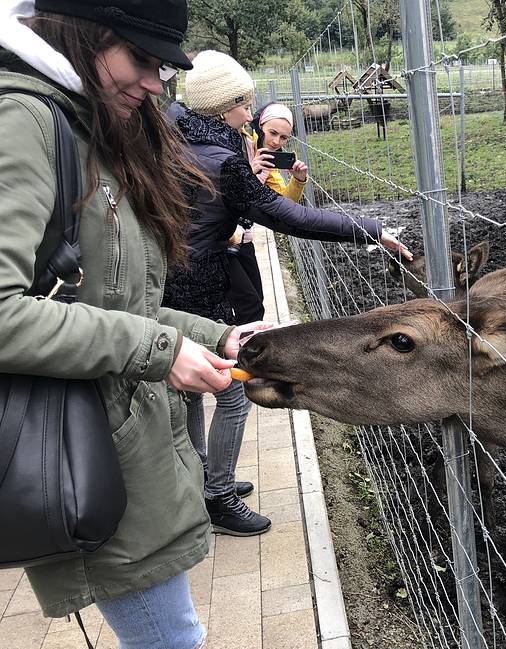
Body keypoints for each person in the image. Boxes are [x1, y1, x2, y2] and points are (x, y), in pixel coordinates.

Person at [0, 1, 268, 646]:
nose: (155, 82)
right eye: (142, 59)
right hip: (87, 447)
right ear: (84, 34)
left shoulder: (85, 124)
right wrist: (156, 348)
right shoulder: (24, 121)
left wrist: (213, 336)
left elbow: (109, 300)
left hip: (125, 442)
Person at [162, 50, 412, 537]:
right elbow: (293, 217)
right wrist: (370, 229)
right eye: (244, 102)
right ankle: (217, 496)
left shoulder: (177, 141)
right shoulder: (224, 161)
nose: (250, 112)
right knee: (232, 391)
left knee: (189, 391)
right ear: (226, 105)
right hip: (200, 287)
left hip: (171, 284)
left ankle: (197, 481)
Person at [226, 101, 309, 324]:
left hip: (243, 236)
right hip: (222, 235)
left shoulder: (267, 160)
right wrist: (250, 170)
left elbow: (284, 203)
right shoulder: (241, 144)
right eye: (272, 133)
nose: (276, 142)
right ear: (259, 125)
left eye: (283, 138)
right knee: (249, 305)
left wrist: (299, 179)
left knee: (256, 299)